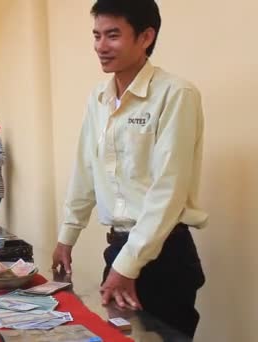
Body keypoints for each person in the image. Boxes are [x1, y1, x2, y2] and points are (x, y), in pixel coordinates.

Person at [51, 0, 206, 338]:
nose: (101, 47)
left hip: (165, 258)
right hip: (119, 251)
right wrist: (67, 236)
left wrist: (128, 266)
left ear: (146, 36)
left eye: (113, 36)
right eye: (96, 36)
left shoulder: (175, 94)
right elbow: (85, 170)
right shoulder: (98, 99)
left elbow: (169, 190)